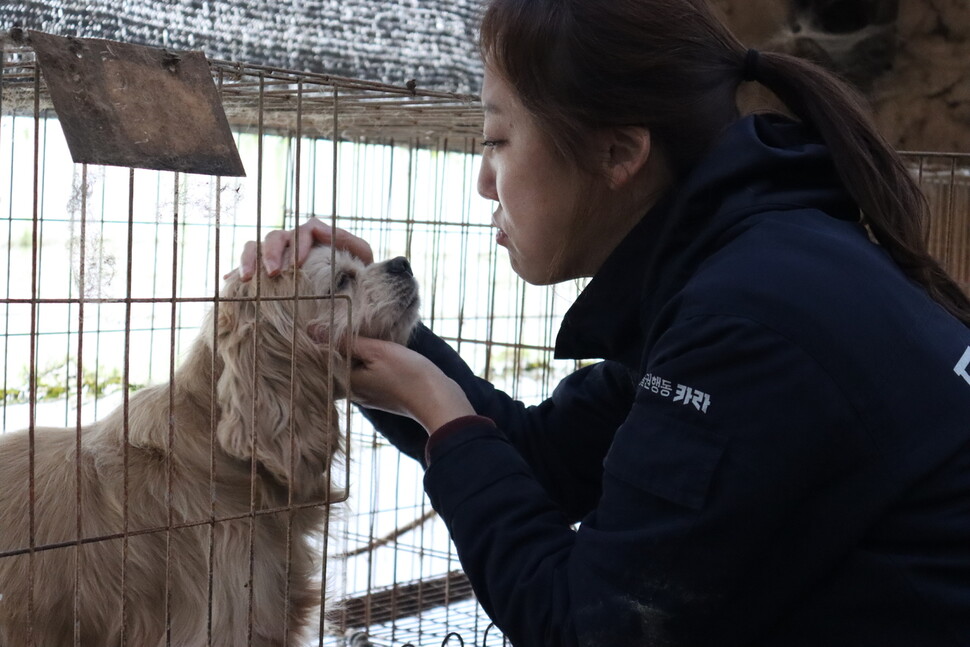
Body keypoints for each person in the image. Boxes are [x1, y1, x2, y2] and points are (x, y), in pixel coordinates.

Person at [239, 0, 970, 644]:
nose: (484, 179)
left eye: (498, 138)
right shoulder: (746, 266)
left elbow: (587, 625)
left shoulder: (748, 323)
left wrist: (446, 418)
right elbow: (546, 457)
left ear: (619, 152)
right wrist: (378, 326)